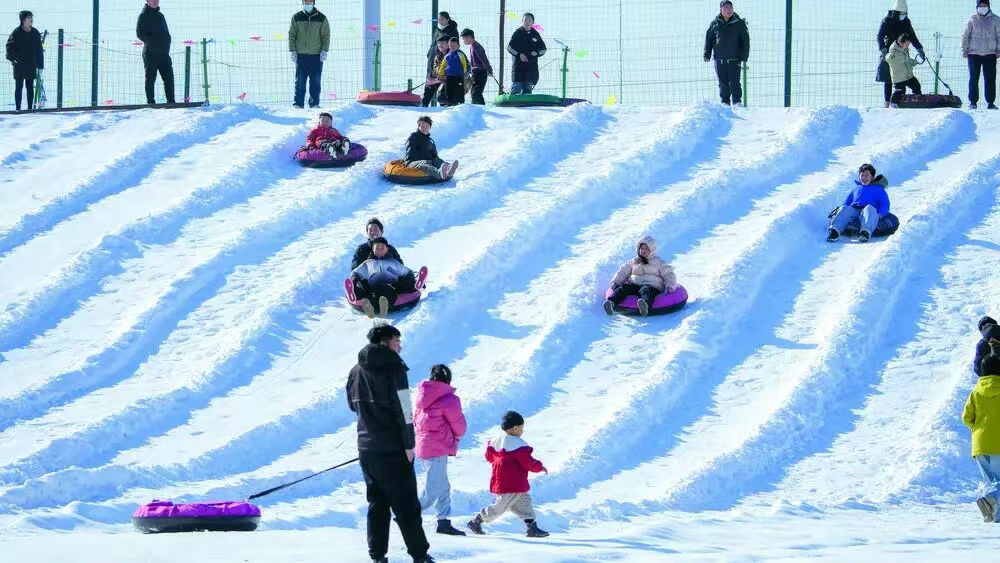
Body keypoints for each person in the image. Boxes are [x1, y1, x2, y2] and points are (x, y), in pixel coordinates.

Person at [347, 324, 436, 563]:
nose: (400, 347)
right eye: (397, 342)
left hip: (366, 448)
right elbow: (404, 410)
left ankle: (377, 555)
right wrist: (409, 444)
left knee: (377, 502)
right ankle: (419, 554)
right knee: (406, 504)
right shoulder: (394, 367)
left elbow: (352, 404)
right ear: (385, 342)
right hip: (393, 448)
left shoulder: (355, 370)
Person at [467, 410, 549, 538]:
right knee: (500, 507)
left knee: (524, 503)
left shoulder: (496, 442)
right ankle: (476, 520)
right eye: (522, 428)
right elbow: (528, 462)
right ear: (515, 428)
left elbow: (489, 457)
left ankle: (531, 527)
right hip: (512, 484)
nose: (522, 431)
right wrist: (539, 467)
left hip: (504, 481)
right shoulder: (518, 445)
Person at [414, 364, 467, 536]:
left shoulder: (422, 397)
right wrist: (457, 436)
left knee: (443, 486)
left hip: (424, 446)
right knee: (433, 488)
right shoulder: (450, 399)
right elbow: (458, 426)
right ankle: (407, 514)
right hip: (438, 446)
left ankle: (443, 522)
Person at [963, 354, 1000, 523]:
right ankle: (989, 498)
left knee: (990, 481)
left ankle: (995, 516)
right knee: (997, 482)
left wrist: (977, 430)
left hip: (980, 444)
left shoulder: (976, 392)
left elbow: (966, 417)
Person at [604, 236, 678, 317]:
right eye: (641, 248)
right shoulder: (634, 261)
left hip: (652, 285)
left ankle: (644, 305)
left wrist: (670, 286)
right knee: (623, 288)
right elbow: (622, 272)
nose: (643, 250)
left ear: (651, 250)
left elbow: (668, 274)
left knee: (645, 291)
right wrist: (615, 282)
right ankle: (611, 303)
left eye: (646, 249)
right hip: (635, 284)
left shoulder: (659, 262)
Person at [351, 238, 417, 318]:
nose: (379, 250)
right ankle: (369, 306)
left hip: (391, 285)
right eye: (377, 248)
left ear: (387, 249)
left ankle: (382, 307)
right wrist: (354, 278)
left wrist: (411, 276)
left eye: (382, 248)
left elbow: (405, 271)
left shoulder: (392, 262)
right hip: (373, 286)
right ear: (373, 249)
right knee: (369, 292)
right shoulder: (368, 262)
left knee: (389, 293)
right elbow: (356, 272)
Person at [877, 0, 925, 108]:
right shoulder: (887, 21)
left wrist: (920, 50)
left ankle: (904, 102)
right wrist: (883, 50)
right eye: (903, 13)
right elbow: (880, 36)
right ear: (897, 12)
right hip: (889, 53)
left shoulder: (906, 22)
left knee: (902, 77)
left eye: (906, 13)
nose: (905, 15)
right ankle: (886, 102)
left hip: (902, 53)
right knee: (889, 78)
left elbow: (913, 37)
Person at [827, 164, 890, 243]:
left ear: (872, 177)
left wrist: (880, 214)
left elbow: (885, 204)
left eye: (867, 175)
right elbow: (847, 202)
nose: (864, 178)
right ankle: (835, 231)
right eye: (862, 175)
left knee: (869, 208)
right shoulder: (857, 188)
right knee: (845, 208)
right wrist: (840, 211)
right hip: (855, 211)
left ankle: (865, 232)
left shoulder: (879, 189)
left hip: (869, 213)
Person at [703, 0, 750, 107]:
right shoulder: (715, 24)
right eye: (726, 8)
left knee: (735, 82)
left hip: (734, 58)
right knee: (723, 83)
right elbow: (709, 39)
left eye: (730, 8)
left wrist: (744, 55)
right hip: (719, 59)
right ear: (721, 10)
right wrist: (707, 54)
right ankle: (725, 103)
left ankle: (737, 102)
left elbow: (745, 40)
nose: (729, 10)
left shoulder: (739, 23)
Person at [288, 0, 330, 109]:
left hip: (316, 56)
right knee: (300, 81)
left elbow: (325, 36)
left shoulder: (322, 18)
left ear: (314, 3)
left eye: (310, 1)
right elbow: (292, 35)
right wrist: (292, 50)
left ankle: (314, 103)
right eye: (305, 1)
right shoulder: (296, 17)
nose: (308, 4)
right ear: (303, 2)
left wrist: (324, 50)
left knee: (315, 81)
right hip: (301, 55)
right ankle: (298, 103)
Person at [963, 1, 1000, 110]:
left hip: (990, 54)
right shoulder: (972, 19)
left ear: (988, 6)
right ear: (977, 7)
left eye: (985, 6)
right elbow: (965, 35)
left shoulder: (996, 20)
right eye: (980, 6)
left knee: (990, 79)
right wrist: (964, 50)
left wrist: (999, 50)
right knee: (973, 78)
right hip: (973, 54)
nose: (982, 8)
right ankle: (973, 102)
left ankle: (990, 103)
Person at [136, 0, 175, 105]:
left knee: (169, 78)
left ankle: (171, 101)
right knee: (150, 78)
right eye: (152, 0)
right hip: (150, 53)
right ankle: (151, 102)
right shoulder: (143, 16)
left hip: (164, 54)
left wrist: (167, 44)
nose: (155, 1)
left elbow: (167, 34)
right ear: (147, 1)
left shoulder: (161, 16)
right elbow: (139, 33)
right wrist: (152, 41)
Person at [5, 10, 43, 111]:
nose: (31, 20)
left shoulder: (35, 33)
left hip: (31, 64)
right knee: (19, 87)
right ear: (23, 20)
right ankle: (18, 109)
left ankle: (30, 110)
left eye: (31, 18)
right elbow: (9, 47)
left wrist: (40, 65)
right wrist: (14, 59)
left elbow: (39, 50)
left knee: (30, 87)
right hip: (19, 65)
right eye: (28, 18)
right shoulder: (16, 33)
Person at [404, 116, 458, 180]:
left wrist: (437, 161)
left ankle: (449, 169)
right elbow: (410, 152)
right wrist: (424, 158)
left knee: (436, 160)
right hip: (412, 162)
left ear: (430, 128)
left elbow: (434, 155)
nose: (425, 128)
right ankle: (439, 174)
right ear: (418, 127)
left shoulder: (430, 140)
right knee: (425, 163)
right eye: (422, 126)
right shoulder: (414, 136)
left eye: (427, 126)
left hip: (427, 160)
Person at [507, 13, 546, 95]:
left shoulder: (535, 34)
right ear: (522, 21)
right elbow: (510, 47)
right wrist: (519, 54)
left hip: (530, 68)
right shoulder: (517, 33)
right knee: (516, 90)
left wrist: (536, 53)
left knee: (527, 92)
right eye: (525, 20)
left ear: (533, 23)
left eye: (529, 20)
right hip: (518, 68)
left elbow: (543, 49)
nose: (527, 22)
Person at [885, 33, 922, 103]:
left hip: (908, 76)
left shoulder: (904, 49)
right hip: (899, 78)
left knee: (916, 86)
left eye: (909, 44)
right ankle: (893, 103)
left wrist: (914, 62)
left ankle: (918, 101)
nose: (908, 46)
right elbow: (888, 58)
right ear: (900, 42)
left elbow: (907, 60)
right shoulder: (894, 50)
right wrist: (889, 57)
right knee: (900, 93)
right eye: (907, 44)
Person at [461, 28, 493, 105]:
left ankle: (481, 108)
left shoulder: (476, 47)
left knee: (476, 93)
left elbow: (484, 59)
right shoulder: (472, 46)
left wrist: (489, 70)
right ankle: (475, 108)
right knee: (473, 92)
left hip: (481, 73)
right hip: (476, 73)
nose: (463, 41)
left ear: (469, 37)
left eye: (464, 39)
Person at [436, 37, 469, 106]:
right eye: (451, 45)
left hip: (459, 76)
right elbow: (443, 65)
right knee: (449, 90)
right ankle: (450, 103)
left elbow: (464, 64)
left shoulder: (461, 55)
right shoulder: (447, 56)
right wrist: (440, 73)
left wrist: (465, 72)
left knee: (459, 90)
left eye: (454, 45)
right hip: (449, 76)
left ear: (458, 46)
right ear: (448, 46)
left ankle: (461, 103)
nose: (453, 47)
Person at [426, 11, 458, 79]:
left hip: (444, 60)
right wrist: (430, 53)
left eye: (442, 19)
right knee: (430, 81)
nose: (440, 21)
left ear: (448, 19)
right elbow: (433, 43)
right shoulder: (438, 30)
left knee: (442, 81)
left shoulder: (452, 30)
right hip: (433, 58)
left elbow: (454, 46)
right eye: (439, 19)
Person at [422, 37, 449, 107]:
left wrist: (436, 81)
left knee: (442, 97)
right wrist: (431, 80)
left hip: (459, 82)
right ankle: (423, 108)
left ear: (448, 44)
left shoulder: (452, 55)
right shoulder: (438, 56)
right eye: (439, 43)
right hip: (442, 80)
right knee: (429, 87)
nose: (441, 45)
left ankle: (450, 110)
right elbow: (435, 72)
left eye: (443, 43)